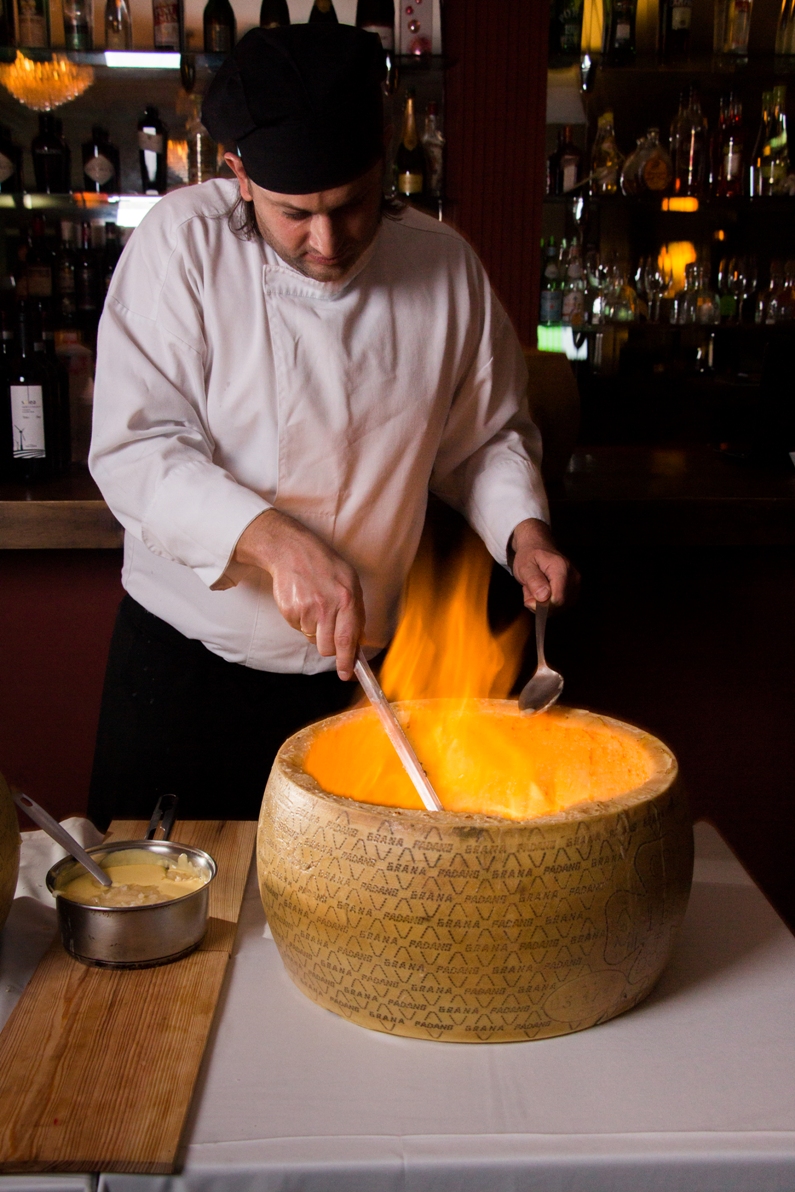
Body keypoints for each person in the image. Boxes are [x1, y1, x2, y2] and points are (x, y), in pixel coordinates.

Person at [87, 24, 573, 828]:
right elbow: (138, 450)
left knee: (353, 936)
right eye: (294, 215)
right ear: (239, 174)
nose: (326, 241)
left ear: (382, 156)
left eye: (349, 207)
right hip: (185, 682)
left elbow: (483, 437)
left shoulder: (443, 266)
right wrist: (274, 540)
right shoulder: (180, 248)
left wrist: (523, 531)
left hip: (358, 688)